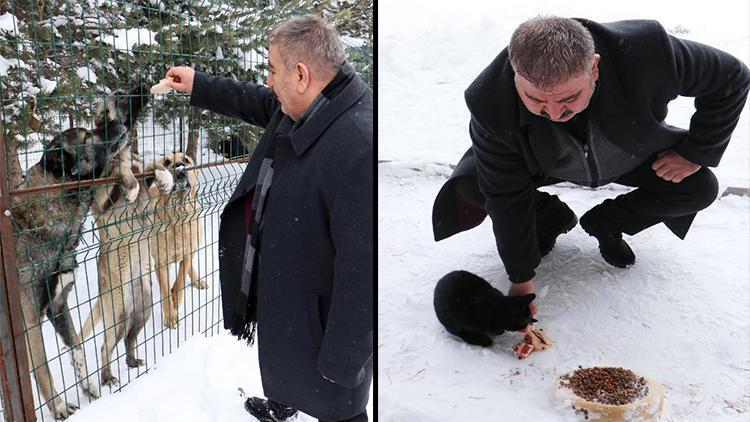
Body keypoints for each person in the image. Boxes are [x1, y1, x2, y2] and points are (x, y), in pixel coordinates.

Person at [432, 16, 749, 317]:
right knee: (472, 185)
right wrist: (521, 275)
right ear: (516, 77)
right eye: (536, 101)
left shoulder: (647, 51)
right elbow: (503, 192)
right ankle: (550, 219)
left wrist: (696, 151)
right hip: (542, 162)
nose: (554, 113)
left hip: (628, 153)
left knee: (699, 188)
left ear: (594, 68)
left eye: (568, 98)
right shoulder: (489, 99)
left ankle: (608, 222)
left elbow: (732, 77)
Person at [165, 14, 372, 422]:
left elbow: (362, 274)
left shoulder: (356, 145)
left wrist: (344, 363)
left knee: (338, 408)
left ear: (300, 74)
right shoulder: (315, 102)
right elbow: (260, 101)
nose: (269, 81)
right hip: (291, 293)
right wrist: (199, 84)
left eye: (273, 70)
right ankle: (285, 400)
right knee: (287, 364)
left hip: (321, 317)